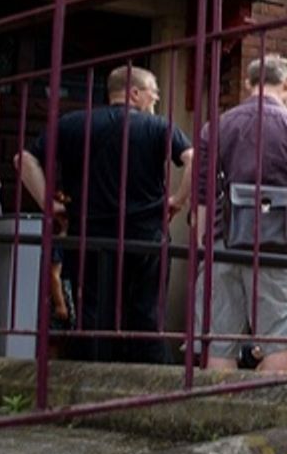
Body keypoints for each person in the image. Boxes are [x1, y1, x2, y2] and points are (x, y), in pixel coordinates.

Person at [17, 64, 192, 363]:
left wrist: (49, 204)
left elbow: (24, 159)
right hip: (144, 237)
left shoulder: (72, 123)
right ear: (134, 93)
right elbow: (195, 159)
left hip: (89, 235)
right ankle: (148, 386)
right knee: (146, 315)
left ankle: (88, 381)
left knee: (93, 313)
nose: (156, 99)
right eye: (153, 92)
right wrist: (176, 200)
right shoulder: (158, 126)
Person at [192, 55, 287, 375]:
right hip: (279, 245)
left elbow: (203, 196)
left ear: (249, 83)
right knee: (281, 342)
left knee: (219, 343)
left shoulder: (217, 127)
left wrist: (205, 241)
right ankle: (262, 414)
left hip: (225, 240)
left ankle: (218, 417)